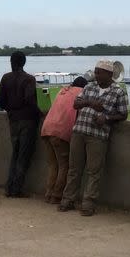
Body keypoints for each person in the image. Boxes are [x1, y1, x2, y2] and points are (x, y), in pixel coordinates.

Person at [58, 61, 129, 216]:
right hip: (79, 131)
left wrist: (107, 118)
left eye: (99, 72)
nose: (96, 75)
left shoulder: (118, 92)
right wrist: (90, 103)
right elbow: (76, 104)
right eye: (96, 72)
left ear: (109, 74)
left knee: (93, 171)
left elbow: (123, 114)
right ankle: (67, 200)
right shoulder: (89, 87)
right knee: (74, 169)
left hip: (98, 135)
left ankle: (88, 204)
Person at [0, 51, 40, 198]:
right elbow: (30, 100)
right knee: (23, 155)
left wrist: (11, 110)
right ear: (24, 63)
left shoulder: (5, 78)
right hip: (27, 120)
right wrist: (39, 113)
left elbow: (0, 102)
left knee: (15, 154)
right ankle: (16, 189)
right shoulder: (29, 79)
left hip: (13, 120)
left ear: (11, 62)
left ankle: (9, 187)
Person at [40, 76, 87, 204]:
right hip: (60, 133)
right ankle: (57, 195)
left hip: (46, 129)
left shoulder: (63, 91)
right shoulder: (82, 93)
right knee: (64, 165)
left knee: (52, 165)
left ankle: (48, 193)